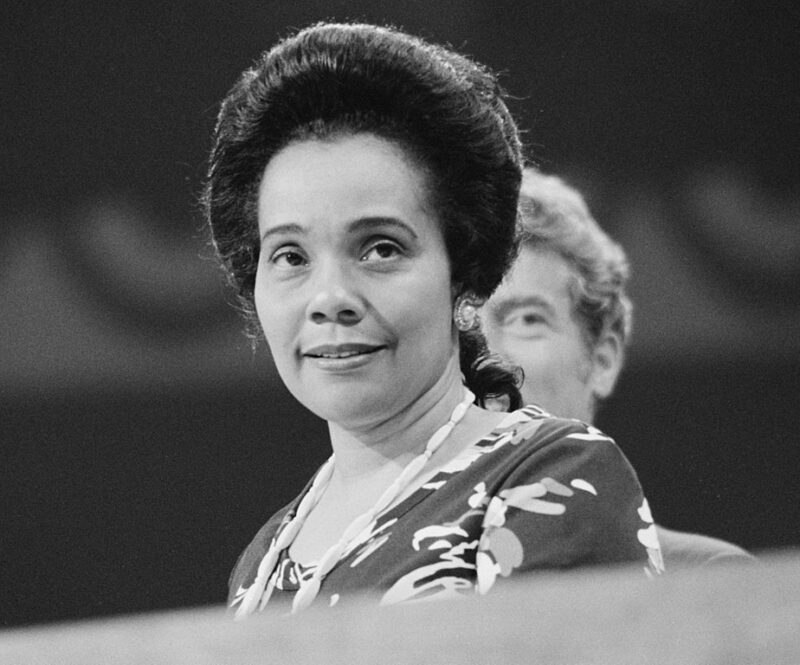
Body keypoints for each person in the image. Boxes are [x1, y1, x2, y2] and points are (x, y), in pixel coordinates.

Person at [203, 22, 662, 618]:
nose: (331, 296)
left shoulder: (547, 476)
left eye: (380, 248)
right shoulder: (265, 558)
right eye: (290, 256)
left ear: (465, 272)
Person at [482, 168, 753, 568]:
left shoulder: (708, 578)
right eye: (460, 326)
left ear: (602, 358)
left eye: (527, 319)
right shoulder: (370, 587)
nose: (485, 358)